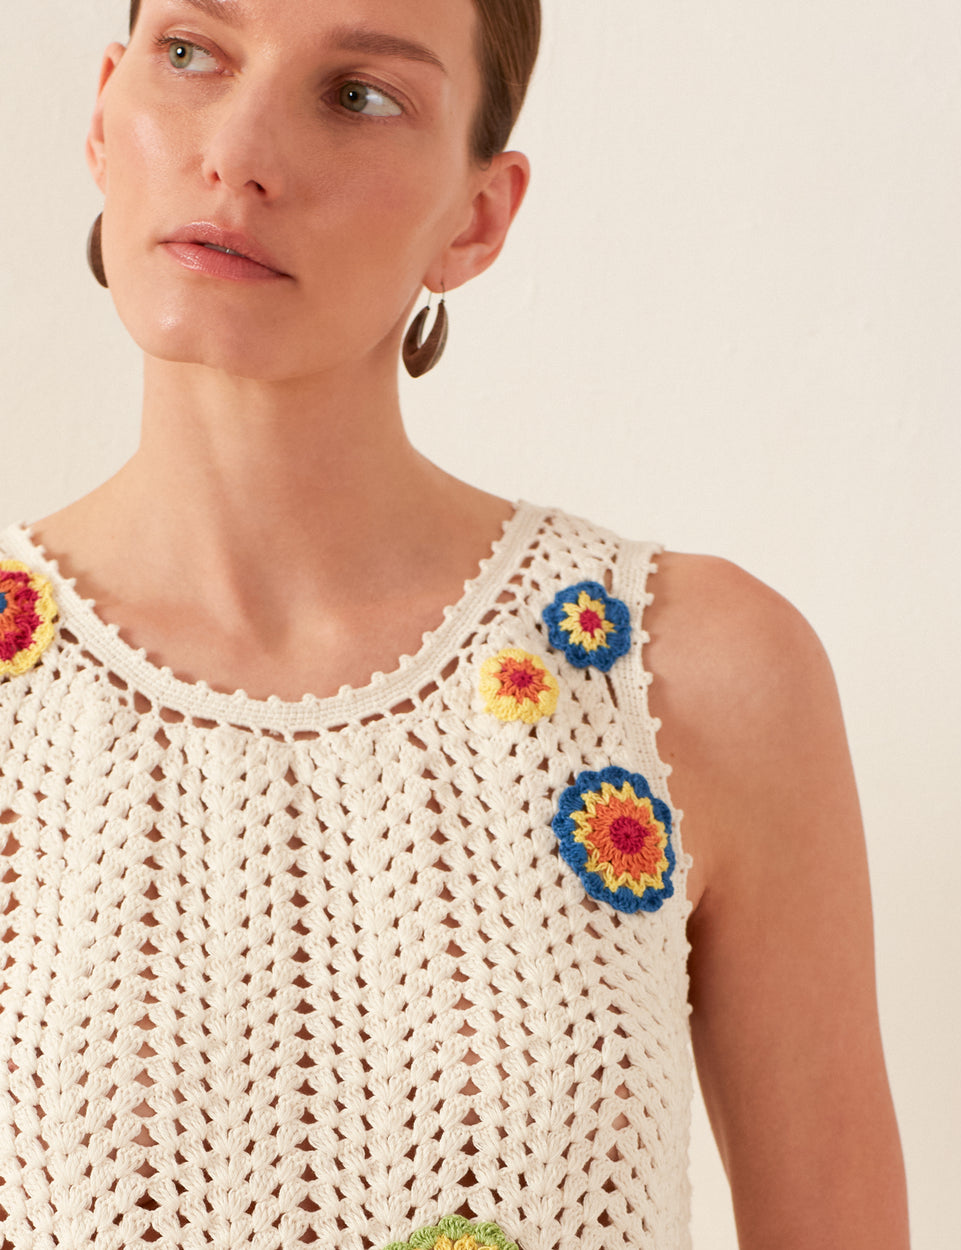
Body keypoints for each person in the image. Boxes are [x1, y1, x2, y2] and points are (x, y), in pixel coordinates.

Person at [0, 1, 909, 1247]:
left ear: (476, 217)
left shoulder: (688, 671)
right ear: (105, 113)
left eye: (360, 95)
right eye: (193, 53)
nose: (238, 150)